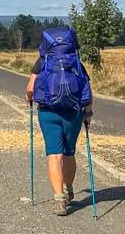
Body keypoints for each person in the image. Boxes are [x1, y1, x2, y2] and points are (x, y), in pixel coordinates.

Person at [25, 30, 93, 217]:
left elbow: (31, 88)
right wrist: (88, 112)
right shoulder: (76, 63)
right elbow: (86, 90)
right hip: (73, 113)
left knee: (54, 154)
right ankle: (69, 189)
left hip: (48, 112)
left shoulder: (42, 62)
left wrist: (29, 99)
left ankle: (59, 199)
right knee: (69, 153)